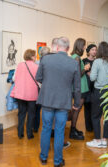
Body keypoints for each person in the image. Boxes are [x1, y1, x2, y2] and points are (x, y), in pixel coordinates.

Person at [36, 37, 81, 167]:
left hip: (47, 100)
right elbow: (77, 87)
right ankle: (57, 161)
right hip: (63, 102)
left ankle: (43, 157)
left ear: (56, 47)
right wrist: (77, 103)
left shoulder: (46, 59)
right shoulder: (73, 63)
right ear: (67, 48)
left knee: (45, 129)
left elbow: (38, 77)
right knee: (60, 131)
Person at [86, 41, 108, 148]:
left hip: (99, 92)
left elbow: (92, 78)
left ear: (99, 51)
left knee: (95, 116)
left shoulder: (97, 62)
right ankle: (105, 140)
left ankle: (97, 140)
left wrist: (90, 73)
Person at [11, 49, 39, 139]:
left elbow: (14, 78)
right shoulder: (36, 67)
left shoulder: (19, 65)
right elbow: (39, 81)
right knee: (31, 114)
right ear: (31, 56)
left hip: (20, 93)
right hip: (32, 94)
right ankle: (29, 134)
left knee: (21, 113)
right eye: (34, 56)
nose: (35, 57)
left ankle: (20, 133)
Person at [70, 38, 90, 140]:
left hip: (80, 87)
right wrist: (85, 69)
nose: (85, 47)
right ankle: (72, 131)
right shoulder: (76, 58)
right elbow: (77, 74)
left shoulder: (74, 56)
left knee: (77, 109)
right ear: (80, 46)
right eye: (84, 45)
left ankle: (73, 129)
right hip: (80, 88)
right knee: (77, 109)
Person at [82, 44, 97, 132]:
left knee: (94, 108)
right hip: (87, 86)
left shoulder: (97, 61)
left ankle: (94, 126)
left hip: (95, 87)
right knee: (87, 107)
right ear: (88, 51)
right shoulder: (84, 61)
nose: (94, 51)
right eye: (92, 50)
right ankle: (88, 127)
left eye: (95, 50)